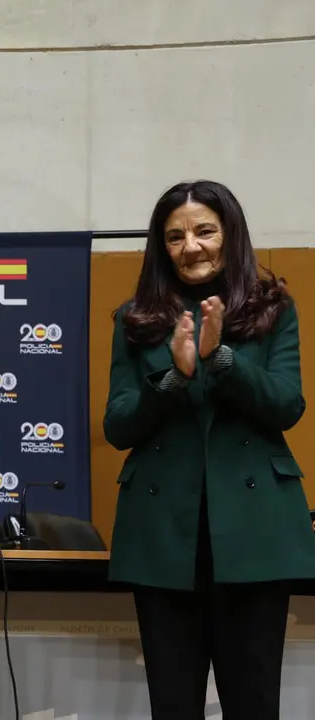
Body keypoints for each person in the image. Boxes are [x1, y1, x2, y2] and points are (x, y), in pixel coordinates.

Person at [104, 179, 315, 718]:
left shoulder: (272, 308)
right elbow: (119, 426)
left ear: (230, 235)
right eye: (174, 236)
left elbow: (287, 405)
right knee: (172, 704)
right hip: (163, 538)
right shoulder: (136, 317)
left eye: (204, 231)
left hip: (254, 534)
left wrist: (222, 358)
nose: (190, 247)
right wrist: (174, 377)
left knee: (253, 701)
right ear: (161, 246)